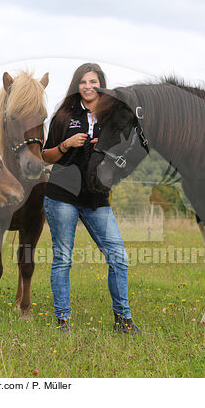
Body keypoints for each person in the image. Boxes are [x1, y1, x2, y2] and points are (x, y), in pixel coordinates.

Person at [42, 62, 140, 334]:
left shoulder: (113, 117)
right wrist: (66, 144)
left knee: (118, 257)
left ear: (101, 84)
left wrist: (106, 148)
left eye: (93, 81)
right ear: (77, 85)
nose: (88, 86)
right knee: (63, 258)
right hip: (62, 195)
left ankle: (123, 321)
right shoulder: (63, 115)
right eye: (83, 82)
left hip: (96, 196)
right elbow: (45, 155)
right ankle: (63, 322)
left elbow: (125, 152)